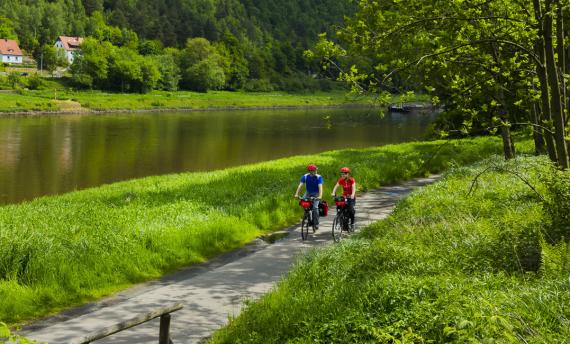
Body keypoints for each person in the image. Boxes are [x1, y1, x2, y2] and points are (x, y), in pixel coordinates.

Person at [294, 164, 323, 229]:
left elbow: (320, 187)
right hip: (308, 192)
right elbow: (300, 185)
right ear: (311, 171)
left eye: (316, 170)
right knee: (304, 203)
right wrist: (296, 194)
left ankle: (316, 223)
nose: (316, 171)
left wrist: (320, 196)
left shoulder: (319, 177)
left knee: (315, 208)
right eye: (315, 170)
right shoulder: (305, 176)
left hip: (316, 193)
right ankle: (307, 217)